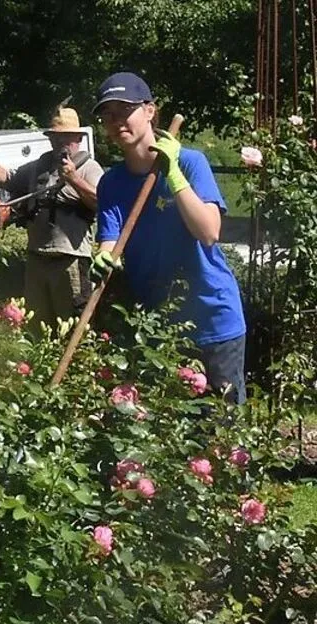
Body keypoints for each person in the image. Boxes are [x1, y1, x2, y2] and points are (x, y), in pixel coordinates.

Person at [90, 72, 247, 404]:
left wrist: (173, 174)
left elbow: (209, 232)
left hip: (213, 319)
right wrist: (103, 258)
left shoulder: (190, 163)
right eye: (108, 115)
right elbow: (110, 243)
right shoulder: (111, 183)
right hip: (158, 325)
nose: (116, 121)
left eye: (125, 110)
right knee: (169, 425)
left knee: (223, 427)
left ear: (149, 111)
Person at [0, 105, 104, 329]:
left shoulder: (89, 168)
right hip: (37, 260)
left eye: (66, 137)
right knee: (37, 326)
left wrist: (73, 179)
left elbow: (101, 202)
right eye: (55, 137)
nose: (60, 142)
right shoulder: (39, 167)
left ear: (78, 138)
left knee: (74, 324)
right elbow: (9, 178)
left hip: (70, 260)